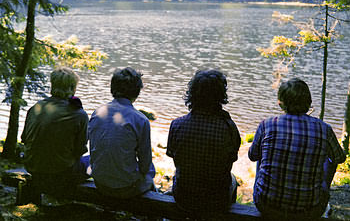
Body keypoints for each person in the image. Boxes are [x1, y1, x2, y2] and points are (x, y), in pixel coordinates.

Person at [249, 78, 346, 220]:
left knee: (260, 156)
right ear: (309, 102)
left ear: (280, 102)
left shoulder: (267, 125)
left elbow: (252, 156)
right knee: (331, 158)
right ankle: (319, 189)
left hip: (267, 205)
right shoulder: (324, 129)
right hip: (309, 210)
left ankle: (268, 189)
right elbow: (340, 158)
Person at [166, 69, 241, 215]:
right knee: (233, 179)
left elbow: (175, 159)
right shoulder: (229, 127)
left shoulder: (177, 124)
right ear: (220, 95)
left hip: (184, 197)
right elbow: (229, 163)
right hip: (216, 201)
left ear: (192, 94)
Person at [21, 67, 90, 198]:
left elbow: (24, 138)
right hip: (61, 173)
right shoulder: (79, 114)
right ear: (72, 88)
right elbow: (79, 150)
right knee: (92, 161)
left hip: (32, 167)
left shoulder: (36, 107)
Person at [88, 67, 155, 199]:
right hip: (125, 188)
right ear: (137, 92)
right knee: (150, 171)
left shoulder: (97, 112)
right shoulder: (140, 120)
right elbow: (145, 162)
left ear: (113, 88)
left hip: (100, 182)